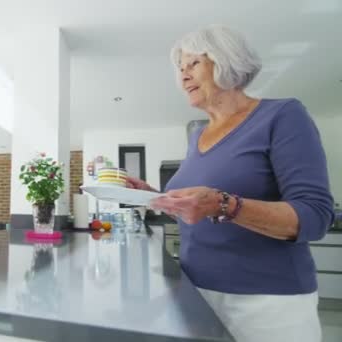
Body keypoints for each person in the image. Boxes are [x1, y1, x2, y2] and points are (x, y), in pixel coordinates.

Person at [126, 26, 334, 342]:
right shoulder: (198, 135)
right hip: (198, 293)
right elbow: (197, 212)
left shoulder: (282, 115)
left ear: (226, 61)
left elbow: (316, 216)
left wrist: (224, 204)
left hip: (267, 303)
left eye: (193, 63)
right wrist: (154, 197)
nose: (183, 76)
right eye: (180, 68)